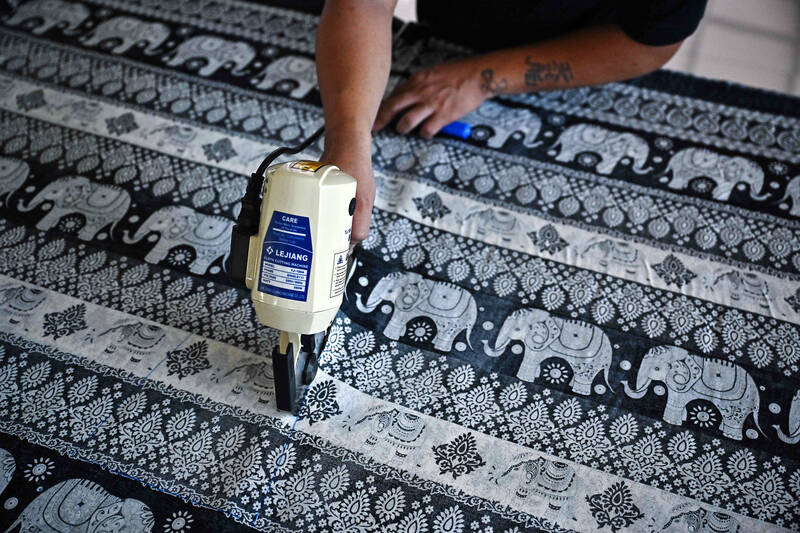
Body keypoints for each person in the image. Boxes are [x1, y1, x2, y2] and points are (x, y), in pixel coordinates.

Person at [316, 0, 708, 245]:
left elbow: (653, 41)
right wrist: (347, 136)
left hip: (586, 52)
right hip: (453, 27)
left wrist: (482, 78)